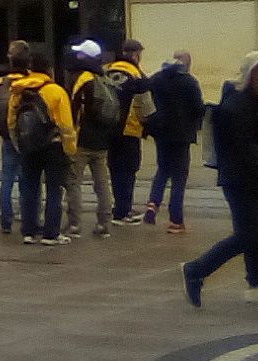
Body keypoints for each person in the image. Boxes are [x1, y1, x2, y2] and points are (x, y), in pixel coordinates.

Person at [181, 50, 258, 311]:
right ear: (253, 74)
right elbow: (246, 147)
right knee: (247, 235)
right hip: (242, 182)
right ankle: (196, 270)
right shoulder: (236, 105)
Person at [6, 47, 75, 247]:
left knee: (29, 188)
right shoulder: (56, 91)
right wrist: (69, 149)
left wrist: (18, 143)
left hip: (28, 146)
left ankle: (29, 231)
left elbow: (12, 122)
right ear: (50, 70)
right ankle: (51, 233)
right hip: (53, 146)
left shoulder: (18, 91)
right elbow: (66, 125)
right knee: (54, 190)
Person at [144, 49, 204, 231]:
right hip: (182, 135)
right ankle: (175, 220)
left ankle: (152, 204)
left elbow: (146, 100)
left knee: (163, 170)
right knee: (179, 176)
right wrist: (195, 125)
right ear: (185, 63)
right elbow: (198, 108)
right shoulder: (189, 82)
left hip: (161, 132)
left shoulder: (156, 78)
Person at [64, 40, 116, 239]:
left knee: (74, 182)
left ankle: (75, 224)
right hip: (101, 140)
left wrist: (68, 136)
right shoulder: (104, 78)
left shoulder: (82, 79)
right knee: (102, 183)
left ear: (84, 58)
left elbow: (74, 109)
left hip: (82, 140)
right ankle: (104, 222)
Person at [103, 42, 155, 224]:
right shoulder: (136, 75)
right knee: (129, 169)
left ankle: (118, 206)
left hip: (109, 128)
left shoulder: (107, 71)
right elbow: (144, 104)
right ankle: (124, 211)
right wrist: (148, 123)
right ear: (135, 55)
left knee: (115, 168)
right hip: (130, 128)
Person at [0, 41, 32, 234]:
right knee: (27, 179)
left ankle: (6, 219)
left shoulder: (2, 82)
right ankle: (28, 216)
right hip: (25, 136)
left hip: (7, 136)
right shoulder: (31, 82)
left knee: (6, 179)